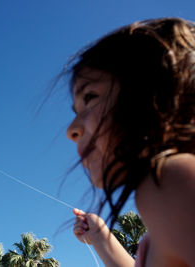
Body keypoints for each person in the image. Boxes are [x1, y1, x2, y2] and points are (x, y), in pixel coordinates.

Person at [65, 18, 195, 266]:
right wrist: (101, 238)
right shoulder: (158, 227)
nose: (71, 130)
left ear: (153, 95)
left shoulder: (166, 179)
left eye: (90, 97)